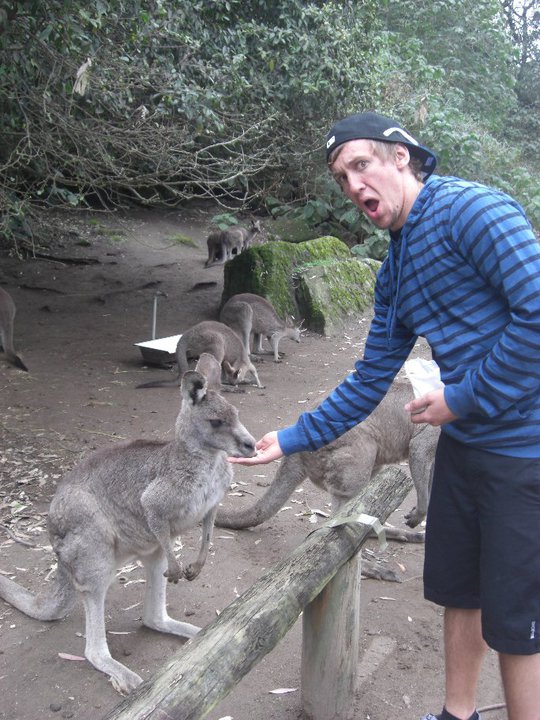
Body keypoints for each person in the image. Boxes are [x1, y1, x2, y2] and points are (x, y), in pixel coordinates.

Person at [229, 111, 540, 720]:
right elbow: (370, 378)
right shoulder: (396, 266)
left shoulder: (472, 210)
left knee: (515, 614)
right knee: (460, 591)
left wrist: (461, 398)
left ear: (402, 158)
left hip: (524, 452)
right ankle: (457, 713)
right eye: (341, 178)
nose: (351, 186)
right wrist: (291, 437)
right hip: (465, 448)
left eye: (360, 165)